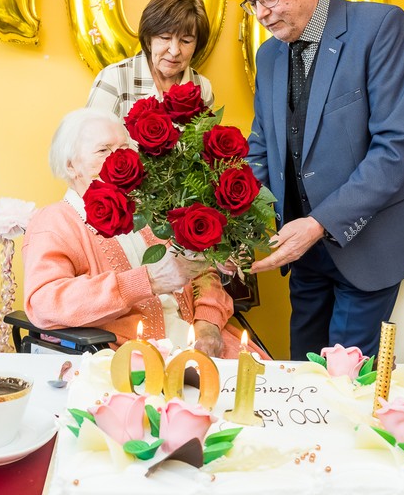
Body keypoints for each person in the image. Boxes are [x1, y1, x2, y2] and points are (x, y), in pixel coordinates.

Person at [232, 0, 404, 360]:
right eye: (253, 2)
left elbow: (394, 149)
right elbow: (262, 148)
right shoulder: (269, 55)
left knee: (343, 381)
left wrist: (319, 223)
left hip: (370, 243)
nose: (261, 13)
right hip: (303, 249)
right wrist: (228, 221)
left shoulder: (381, 27)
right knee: (302, 368)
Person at [22, 109, 267, 359]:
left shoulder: (152, 208)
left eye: (124, 148)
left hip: (202, 345)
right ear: (71, 166)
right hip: (129, 354)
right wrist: (146, 281)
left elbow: (202, 272)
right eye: (103, 150)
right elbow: (45, 302)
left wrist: (208, 324)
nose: (117, 157)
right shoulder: (55, 221)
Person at [85, 0, 214, 117]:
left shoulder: (202, 88)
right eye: (165, 38)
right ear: (148, 39)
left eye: (186, 41)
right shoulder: (113, 79)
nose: (174, 51)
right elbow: (89, 130)